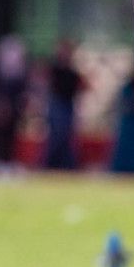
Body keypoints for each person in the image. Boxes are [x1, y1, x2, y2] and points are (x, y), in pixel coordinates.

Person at [44, 39, 83, 170]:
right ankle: (50, 165)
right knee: (56, 136)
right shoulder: (54, 69)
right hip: (57, 105)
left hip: (68, 105)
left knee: (67, 137)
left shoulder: (72, 71)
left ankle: (66, 165)